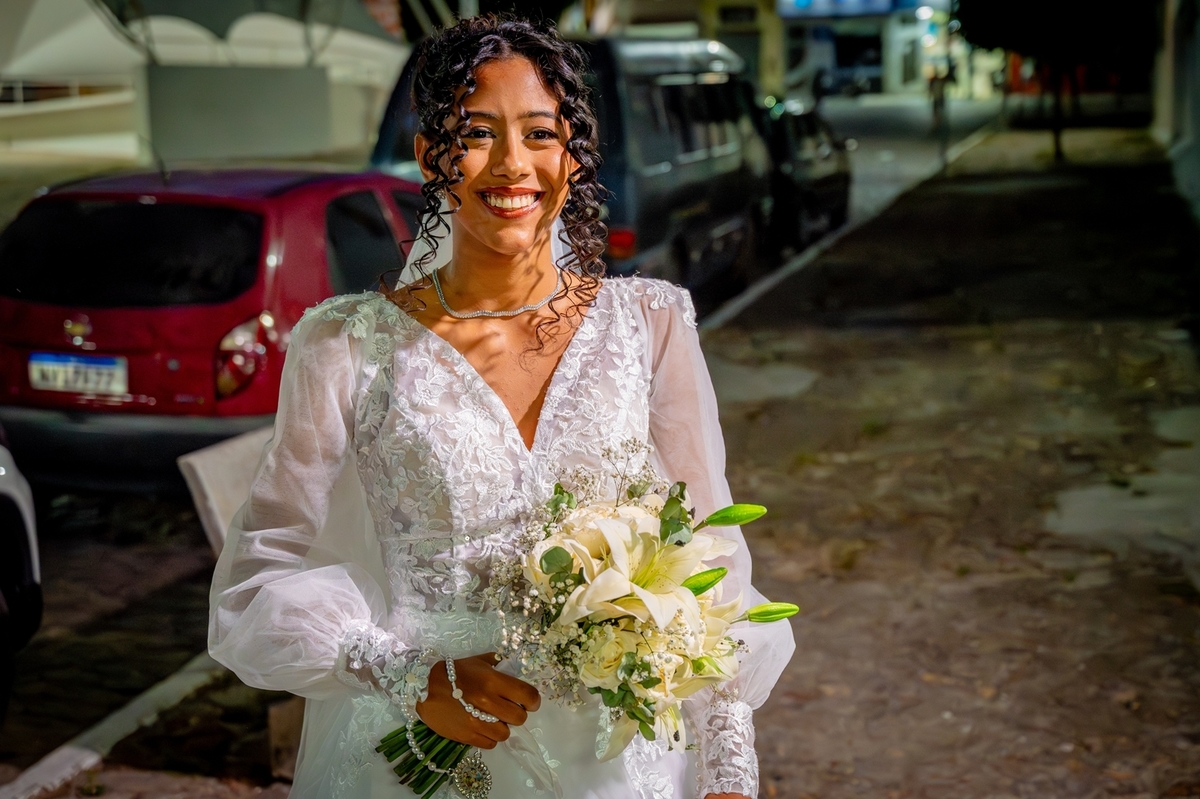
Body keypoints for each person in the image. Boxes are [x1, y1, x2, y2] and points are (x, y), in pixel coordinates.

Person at [208, 15, 794, 799]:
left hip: (617, 759)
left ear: (572, 154)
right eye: (477, 133)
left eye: (541, 134)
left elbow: (710, 566)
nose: (513, 164)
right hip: (414, 757)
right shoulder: (343, 344)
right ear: (429, 155)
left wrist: (728, 768)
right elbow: (260, 573)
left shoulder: (649, 326)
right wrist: (408, 674)